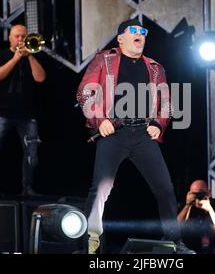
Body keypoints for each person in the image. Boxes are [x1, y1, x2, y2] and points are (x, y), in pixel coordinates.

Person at [77, 18, 191, 254]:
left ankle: (174, 241)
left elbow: (166, 103)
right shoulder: (104, 60)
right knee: (100, 190)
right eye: (135, 31)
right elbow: (85, 93)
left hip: (142, 134)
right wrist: (100, 120)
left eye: (144, 31)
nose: (141, 34)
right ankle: (91, 241)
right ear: (121, 38)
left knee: (166, 190)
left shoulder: (155, 68)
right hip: (114, 133)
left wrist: (159, 124)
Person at [0, 25, 46, 195]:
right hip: (2, 113)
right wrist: (15, 58)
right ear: (9, 37)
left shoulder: (32, 56)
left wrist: (29, 56)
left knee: (32, 155)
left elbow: (40, 78)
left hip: (27, 115)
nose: (21, 39)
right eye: (17, 36)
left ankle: (27, 189)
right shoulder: (1, 55)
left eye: (23, 36)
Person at [177, 180, 215, 253]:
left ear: (209, 192)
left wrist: (209, 208)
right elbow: (177, 225)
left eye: (201, 193)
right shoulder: (186, 205)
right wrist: (188, 205)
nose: (198, 196)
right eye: (194, 193)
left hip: (214, 247)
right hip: (190, 248)